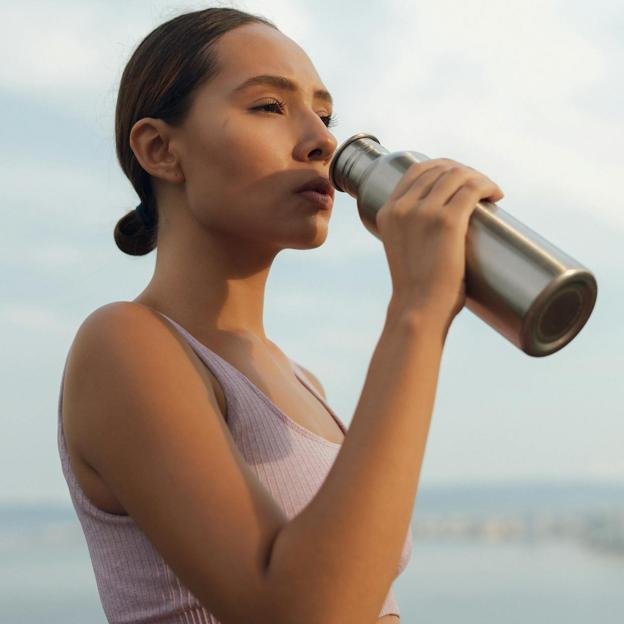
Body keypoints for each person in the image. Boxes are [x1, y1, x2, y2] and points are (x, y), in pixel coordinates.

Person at [57, 6, 505, 624]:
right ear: (160, 149)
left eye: (324, 114)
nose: (322, 140)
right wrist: (418, 311)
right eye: (269, 106)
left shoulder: (301, 383)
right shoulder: (125, 345)